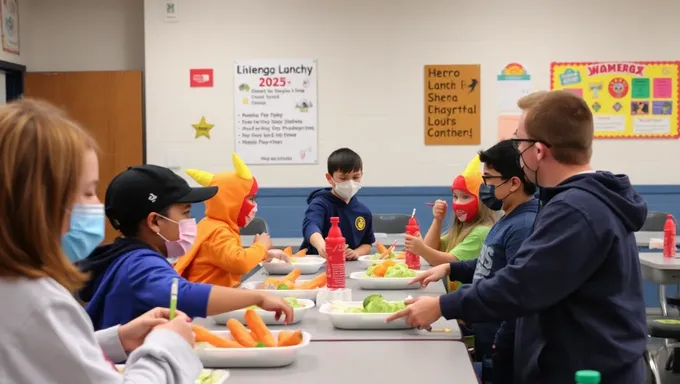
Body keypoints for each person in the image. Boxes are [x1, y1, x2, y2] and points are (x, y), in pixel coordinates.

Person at [386, 90, 648, 384]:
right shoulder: (572, 203)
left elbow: (522, 284)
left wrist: (442, 306)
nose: (517, 153)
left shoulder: (576, 210)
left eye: (518, 142)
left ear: (538, 151)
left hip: (588, 371)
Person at [0, 99, 202, 382]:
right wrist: (169, 347)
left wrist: (117, 339)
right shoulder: (37, 301)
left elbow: (48, 354)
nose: (98, 204)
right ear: (40, 204)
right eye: (87, 192)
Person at [78, 162, 294, 331]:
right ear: (154, 222)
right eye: (186, 213)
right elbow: (183, 293)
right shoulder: (140, 264)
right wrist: (258, 297)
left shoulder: (126, 254)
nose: (191, 222)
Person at [410, 140, 538, 384]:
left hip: (502, 341)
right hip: (488, 334)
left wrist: (443, 304)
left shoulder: (523, 226)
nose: (483, 186)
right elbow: (488, 264)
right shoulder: (509, 217)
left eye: (488, 179)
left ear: (513, 183)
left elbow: (511, 288)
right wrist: (450, 267)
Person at [173, 153, 289, 288]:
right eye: (250, 199)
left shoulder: (212, 224)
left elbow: (227, 258)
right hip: (211, 302)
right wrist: (261, 247)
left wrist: (263, 254)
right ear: (231, 202)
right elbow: (239, 263)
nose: (254, 205)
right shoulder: (218, 232)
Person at [404, 155, 496, 291]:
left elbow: (447, 261)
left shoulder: (481, 232)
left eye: (465, 197)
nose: (458, 203)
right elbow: (431, 250)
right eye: (455, 196)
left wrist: (421, 249)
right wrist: (438, 220)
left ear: (481, 200)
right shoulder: (462, 229)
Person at [300, 148, 375, 260]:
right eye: (343, 178)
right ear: (330, 178)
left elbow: (367, 244)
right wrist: (322, 246)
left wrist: (356, 253)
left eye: (355, 177)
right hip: (319, 264)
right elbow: (311, 225)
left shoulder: (364, 211)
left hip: (348, 266)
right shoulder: (320, 204)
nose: (350, 183)